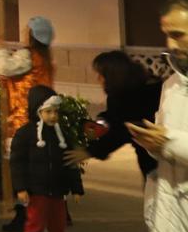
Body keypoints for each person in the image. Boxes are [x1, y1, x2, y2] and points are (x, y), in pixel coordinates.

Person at [129, 0, 188, 232]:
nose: (170, 44)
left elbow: (170, 141)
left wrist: (168, 141)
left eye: (177, 34)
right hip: (170, 215)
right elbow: (163, 147)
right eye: (166, 34)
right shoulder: (171, 85)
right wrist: (152, 144)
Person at [0, 16, 56, 232]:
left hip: (22, 121)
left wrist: (0, 50)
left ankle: (25, 216)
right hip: (40, 122)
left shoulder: (28, 56)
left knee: (22, 171)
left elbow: (3, 67)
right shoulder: (46, 59)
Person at [63, 50, 160, 182]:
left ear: (112, 75)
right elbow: (114, 118)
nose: (98, 79)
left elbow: (121, 131)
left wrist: (90, 151)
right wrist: (94, 125)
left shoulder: (131, 97)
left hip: (155, 157)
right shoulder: (139, 86)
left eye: (101, 75)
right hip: (153, 154)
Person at [8, 86, 83, 232]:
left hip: (57, 192)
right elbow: (17, 163)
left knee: (58, 226)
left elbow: (70, 163)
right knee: (35, 225)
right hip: (36, 192)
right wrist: (21, 188)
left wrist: (76, 188)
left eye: (56, 111)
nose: (53, 116)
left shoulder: (62, 136)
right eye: (48, 111)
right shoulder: (25, 134)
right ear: (38, 111)